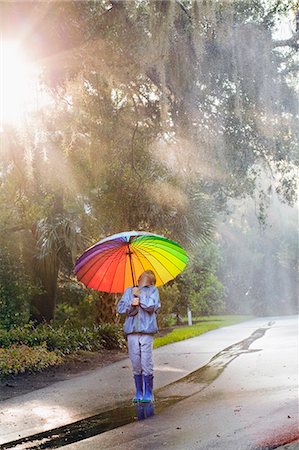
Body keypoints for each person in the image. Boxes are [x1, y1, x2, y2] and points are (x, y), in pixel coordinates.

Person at [117, 270, 160, 403]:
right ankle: (139, 391)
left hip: (147, 332)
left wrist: (140, 296)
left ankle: (148, 392)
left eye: (147, 281)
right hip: (132, 332)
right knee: (136, 362)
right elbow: (121, 309)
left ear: (151, 282)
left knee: (146, 361)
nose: (143, 282)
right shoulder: (129, 291)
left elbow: (152, 306)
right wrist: (132, 302)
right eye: (142, 279)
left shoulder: (153, 291)